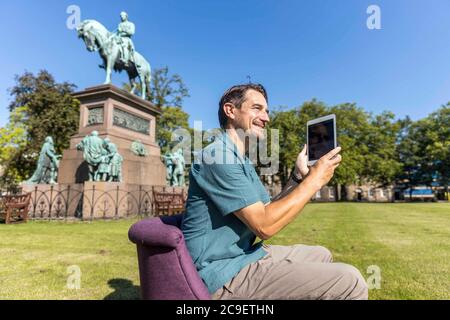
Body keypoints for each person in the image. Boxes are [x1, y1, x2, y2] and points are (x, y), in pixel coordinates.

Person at [181, 84, 368, 300]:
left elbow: (267, 208)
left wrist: (298, 178)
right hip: (219, 274)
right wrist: (315, 180)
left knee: (321, 254)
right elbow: (265, 225)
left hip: (242, 256)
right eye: (257, 108)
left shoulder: (239, 159)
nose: (266, 118)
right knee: (350, 280)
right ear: (230, 110)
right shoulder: (217, 157)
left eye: (267, 111)